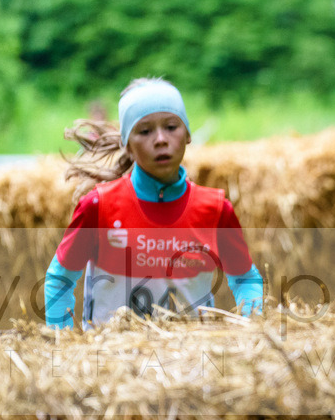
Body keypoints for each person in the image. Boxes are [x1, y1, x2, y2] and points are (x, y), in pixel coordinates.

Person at [44, 78, 263, 329]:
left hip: (189, 364)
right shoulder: (98, 206)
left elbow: (246, 278)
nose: (160, 139)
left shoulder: (215, 209)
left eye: (171, 126)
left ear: (188, 134)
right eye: (145, 131)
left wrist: (251, 328)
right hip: (112, 363)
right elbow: (59, 280)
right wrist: (61, 343)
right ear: (127, 145)